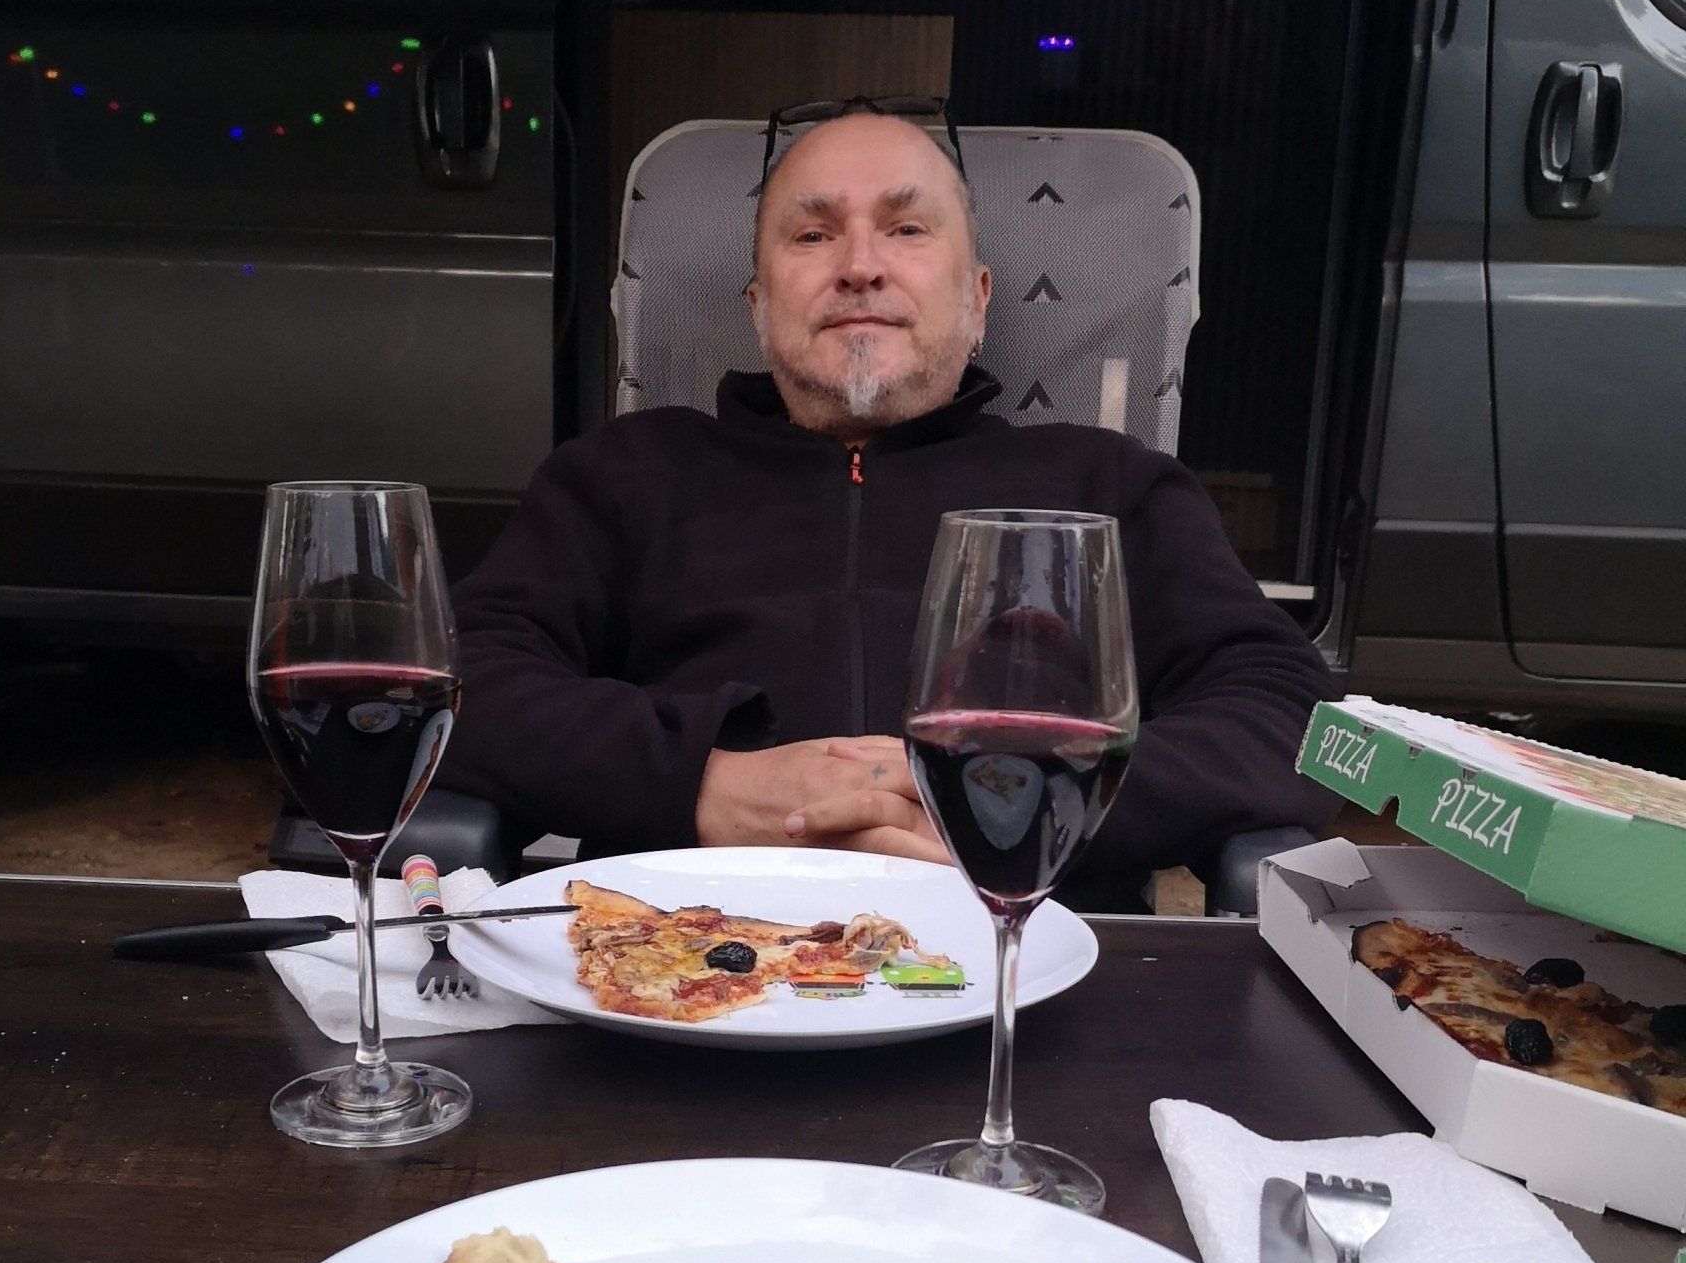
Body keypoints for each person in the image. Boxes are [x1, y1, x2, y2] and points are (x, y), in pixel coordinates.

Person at [439, 102, 1333, 893]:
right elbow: (461, 679)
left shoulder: (1109, 486)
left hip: (1023, 964)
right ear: (758, 306)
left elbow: (1291, 715)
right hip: (679, 964)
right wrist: (700, 781)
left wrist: (1028, 796)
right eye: (812, 235)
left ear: (977, 300)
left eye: (907, 229)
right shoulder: (626, 474)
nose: (860, 265)